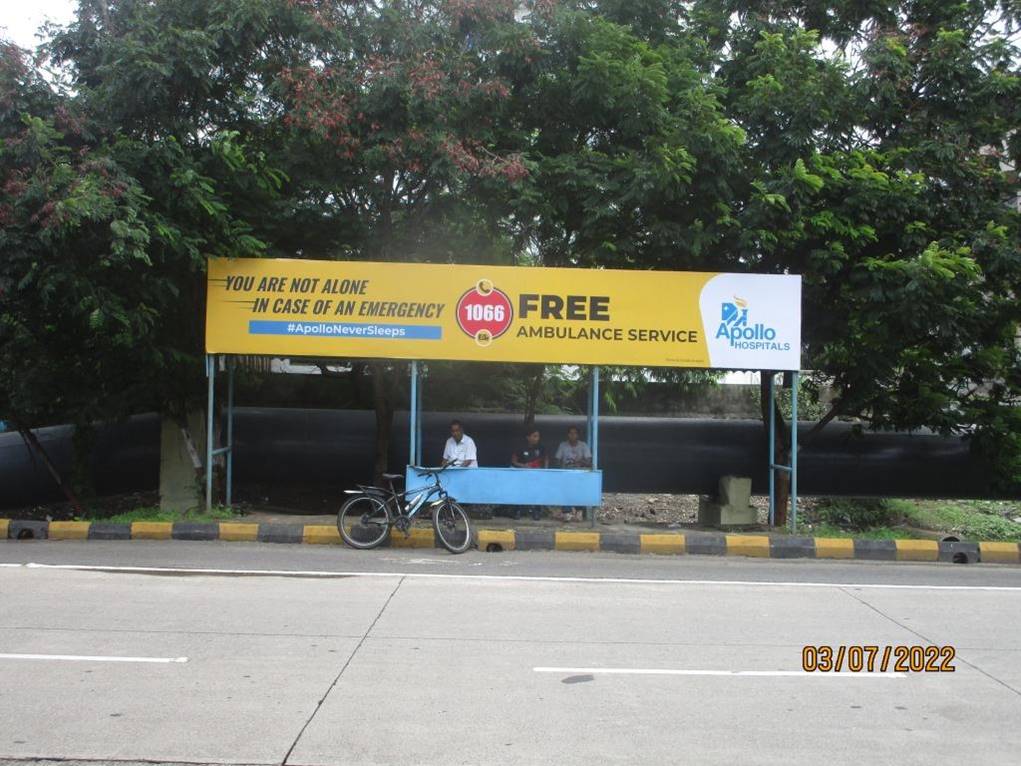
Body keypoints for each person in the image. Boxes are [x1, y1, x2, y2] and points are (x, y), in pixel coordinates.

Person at [554, 426, 592, 522]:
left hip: (580, 473)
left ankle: (579, 512)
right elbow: (557, 459)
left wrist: (580, 462)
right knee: (566, 492)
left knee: (580, 492)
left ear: (578, 435)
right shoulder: (563, 445)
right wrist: (561, 465)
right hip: (566, 473)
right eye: (570, 433)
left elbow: (589, 461)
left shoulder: (583, 445)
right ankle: (567, 513)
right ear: (568, 435)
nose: (572, 435)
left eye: (575, 433)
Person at [510, 426, 547, 520]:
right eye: (534, 436)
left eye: (538, 436)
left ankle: (537, 512)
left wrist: (545, 472)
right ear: (528, 437)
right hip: (522, 475)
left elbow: (546, 460)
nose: (536, 438)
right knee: (519, 492)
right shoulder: (520, 447)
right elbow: (514, 461)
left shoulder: (541, 447)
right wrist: (523, 466)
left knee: (536, 493)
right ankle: (517, 511)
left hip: (537, 475)